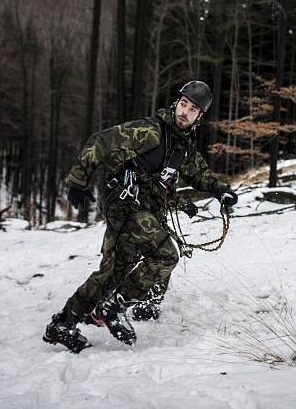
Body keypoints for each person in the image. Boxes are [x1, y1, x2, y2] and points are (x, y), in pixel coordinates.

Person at [43, 81, 238, 352]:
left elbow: (200, 173)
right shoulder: (151, 131)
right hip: (125, 205)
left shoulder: (182, 146)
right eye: (183, 104)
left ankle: (63, 325)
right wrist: (79, 180)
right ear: (176, 103)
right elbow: (102, 141)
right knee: (166, 254)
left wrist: (222, 192)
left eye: (192, 109)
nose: (184, 112)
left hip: (144, 211)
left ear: (199, 116)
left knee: (112, 272)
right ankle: (115, 307)